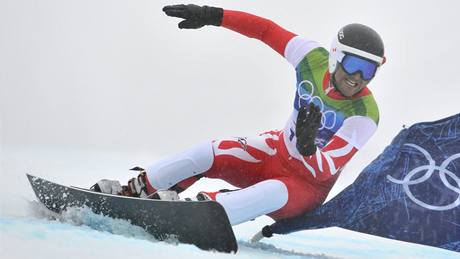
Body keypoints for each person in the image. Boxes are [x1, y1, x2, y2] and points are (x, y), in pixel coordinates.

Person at [93, 4, 385, 226]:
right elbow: (266, 30)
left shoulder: (365, 113)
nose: (358, 77)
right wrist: (213, 15)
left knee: (271, 191)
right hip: (275, 152)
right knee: (209, 152)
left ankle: (199, 211)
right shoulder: (312, 58)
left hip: (303, 188)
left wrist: (308, 148)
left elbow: (325, 170)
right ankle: (133, 191)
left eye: (370, 69)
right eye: (355, 64)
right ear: (336, 55)